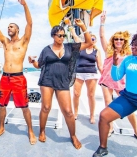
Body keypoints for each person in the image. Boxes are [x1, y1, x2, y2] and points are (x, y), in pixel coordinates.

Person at [28, 19, 92, 149]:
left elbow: (89, 42)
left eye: (63, 35)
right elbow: (38, 65)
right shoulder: (46, 50)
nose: (62, 37)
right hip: (47, 80)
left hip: (63, 81)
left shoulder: (70, 47)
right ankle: (42, 131)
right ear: (53, 36)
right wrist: (32, 62)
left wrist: (83, 27)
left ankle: (73, 136)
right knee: (46, 107)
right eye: (59, 35)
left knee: (68, 111)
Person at [0, 0, 37, 145]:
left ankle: (30, 131)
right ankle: (1, 128)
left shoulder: (24, 41)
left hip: (18, 78)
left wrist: (24, 5)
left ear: (17, 30)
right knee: (1, 105)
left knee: (24, 107)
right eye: (8, 27)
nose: (9, 28)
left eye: (11, 26)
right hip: (4, 78)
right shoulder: (5, 43)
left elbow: (30, 24)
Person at [98, 11, 137, 143]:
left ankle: (136, 131)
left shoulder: (130, 53)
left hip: (121, 83)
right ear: (113, 41)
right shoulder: (109, 50)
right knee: (108, 105)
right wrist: (102, 22)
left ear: (124, 41)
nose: (118, 41)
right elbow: (101, 36)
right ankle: (111, 127)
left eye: (121, 39)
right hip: (107, 81)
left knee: (129, 108)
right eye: (116, 39)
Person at [70, 28, 103, 124]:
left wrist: (104, 76)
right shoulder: (81, 47)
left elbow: (100, 65)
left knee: (91, 95)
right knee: (76, 94)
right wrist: (71, 28)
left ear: (95, 41)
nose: (91, 40)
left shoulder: (96, 51)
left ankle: (92, 115)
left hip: (91, 74)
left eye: (93, 39)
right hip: (79, 73)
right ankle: (75, 113)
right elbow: (75, 37)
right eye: (90, 38)